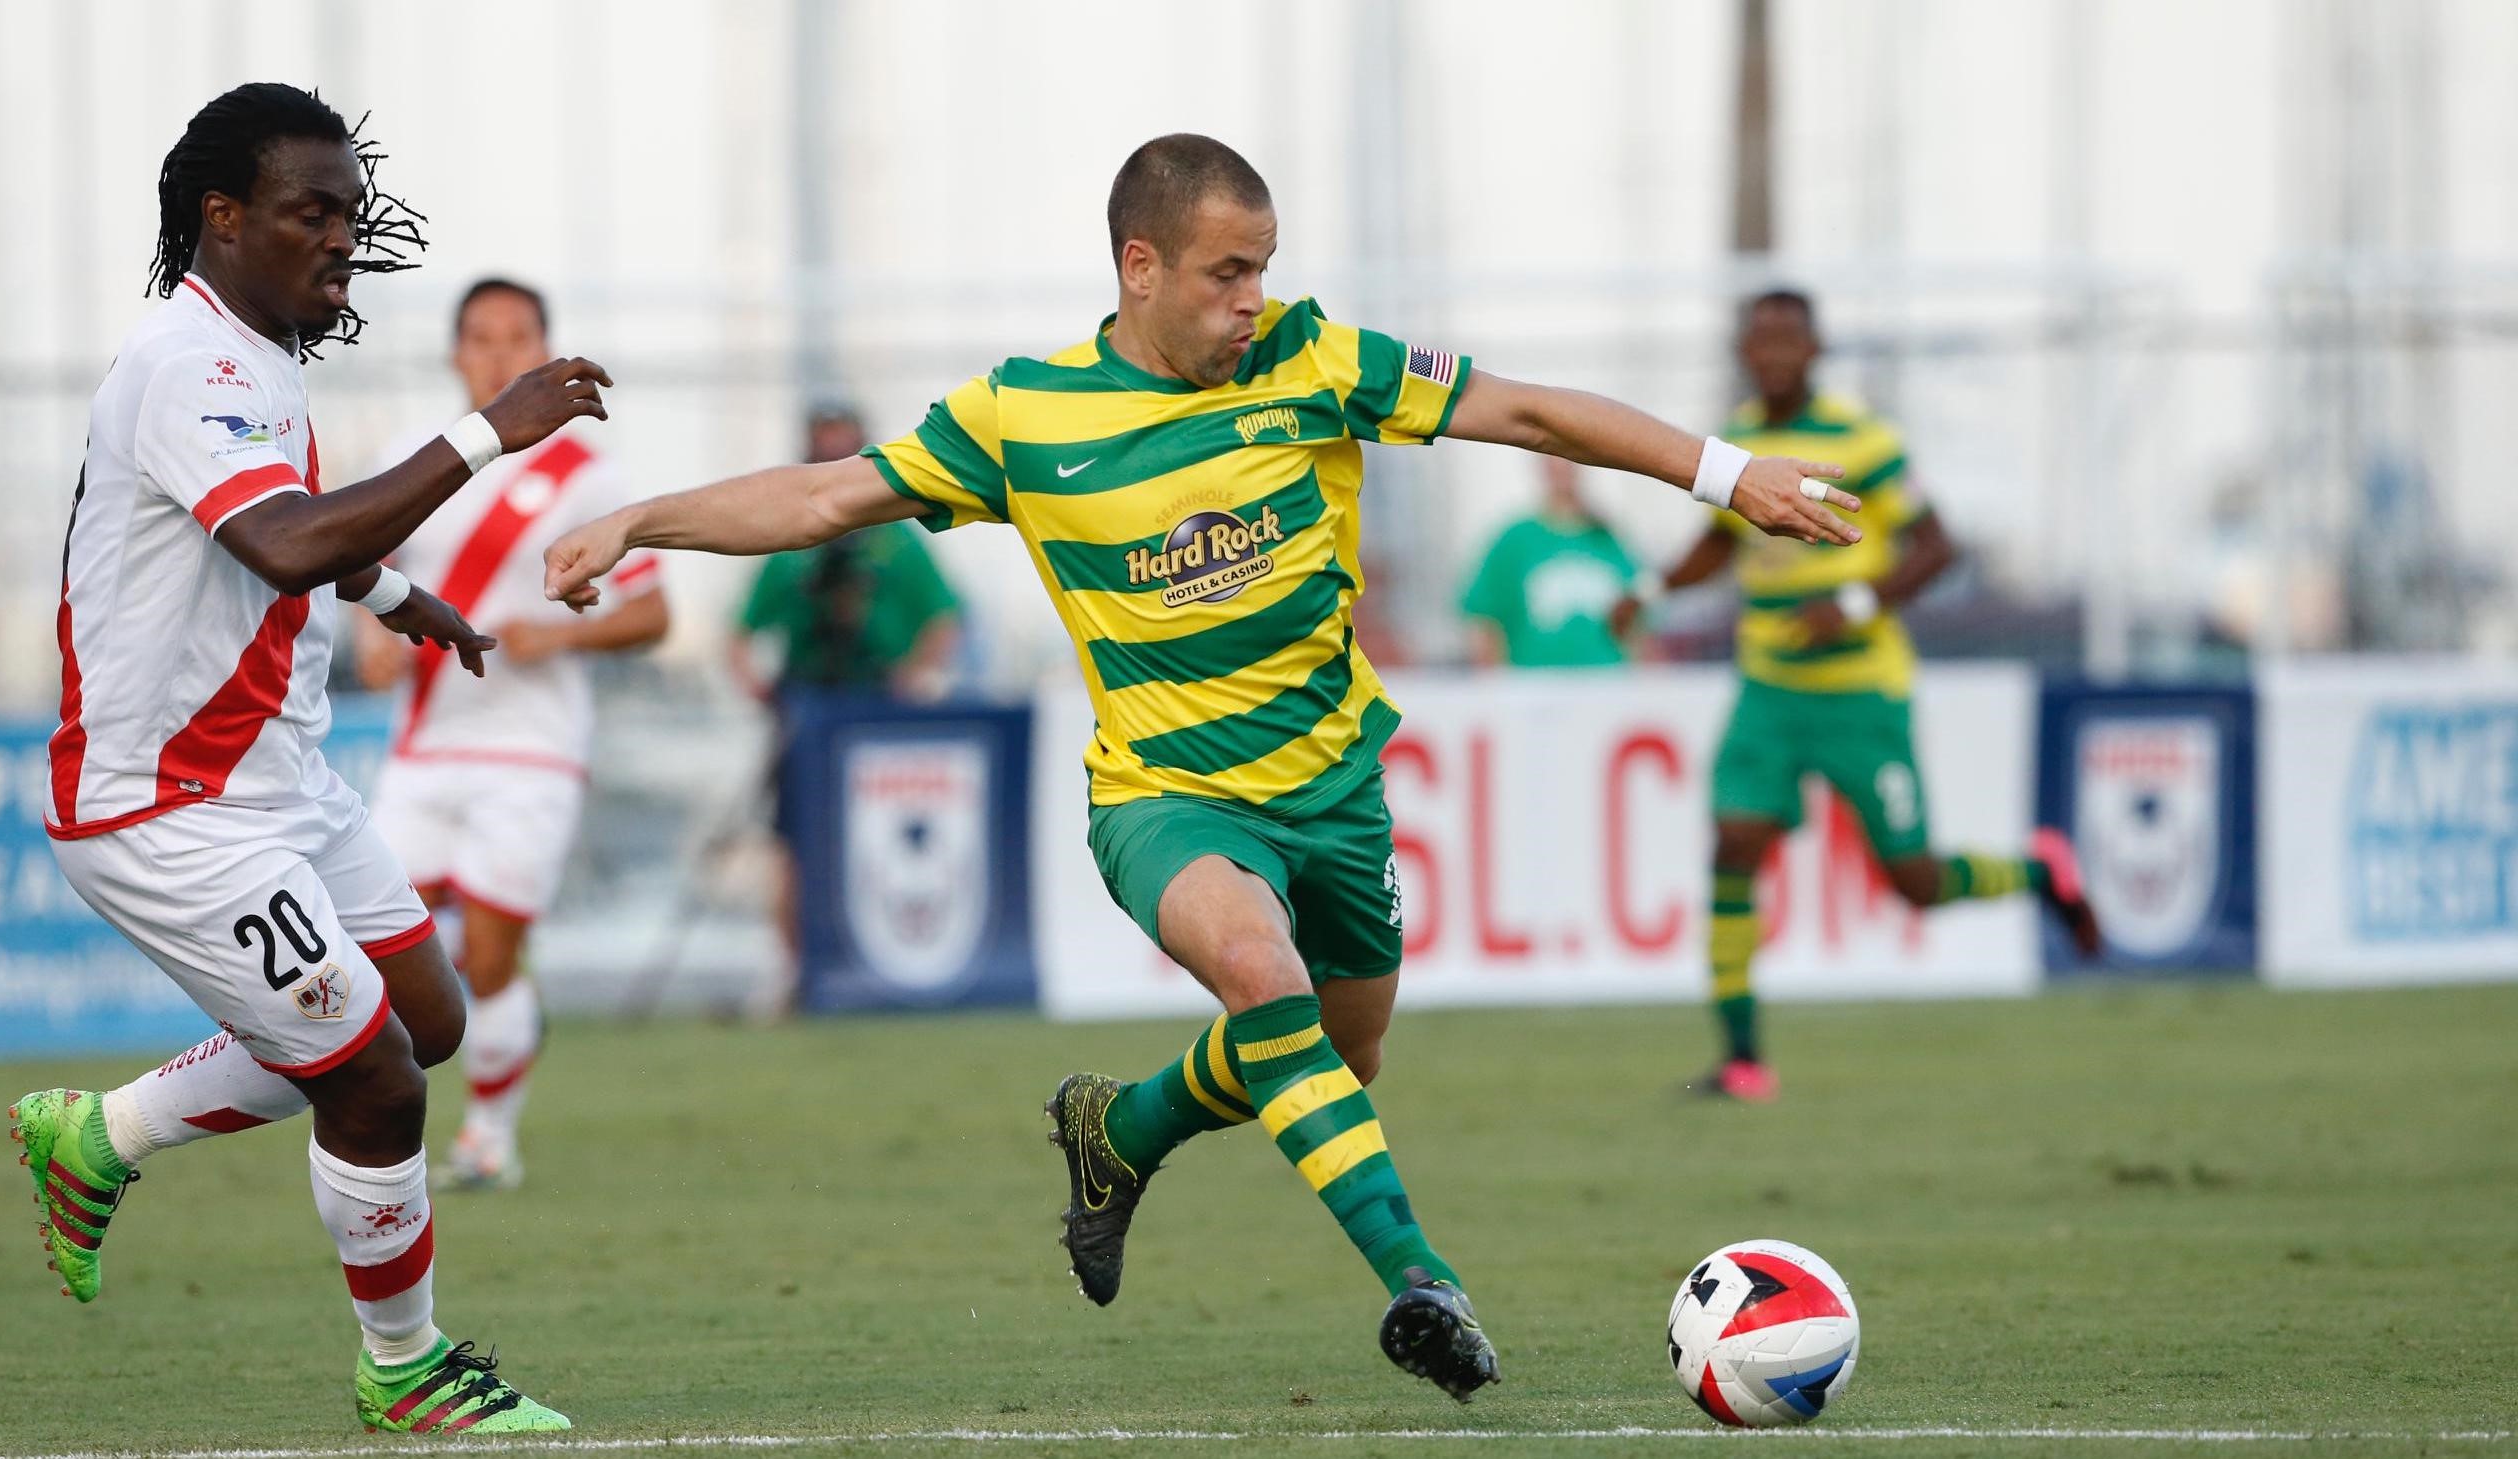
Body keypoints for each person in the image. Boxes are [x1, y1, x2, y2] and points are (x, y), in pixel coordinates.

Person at [542, 134, 1860, 1402]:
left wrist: (1724, 471)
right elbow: (826, 497)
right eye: (1229, 272)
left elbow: (1522, 410)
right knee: (1261, 977)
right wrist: (637, 517)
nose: (1254, 297)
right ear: (1141, 267)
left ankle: (1123, 1128)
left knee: (1342, 1052)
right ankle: (1424, 1279)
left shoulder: (1315, 358)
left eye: (1264, 266)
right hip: (1163, 796)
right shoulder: (1027, 413)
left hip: (1334, 789)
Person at [19, 83, 606, 1432]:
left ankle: (102, 1134)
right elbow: (283, 542)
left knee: (434, 1019)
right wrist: (484, 429)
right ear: (222, 219)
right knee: (376, 1072)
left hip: (279, 785)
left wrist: (406, 601)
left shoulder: (256, 357)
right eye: (310, 211)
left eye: (350, 211)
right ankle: (401, 1365)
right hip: (161, 803)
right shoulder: (190, 364)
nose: (343, 237)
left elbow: (307, 538)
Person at [1616, 289, 2102, 1103]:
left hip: (1860, 694)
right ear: (1744, 350)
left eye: (1786, 338)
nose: (1771, 353)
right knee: (1734, 844)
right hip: (1768, 687)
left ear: (1816, 350)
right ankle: (1742, 1060)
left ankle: (2041, 872)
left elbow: (1937, 544)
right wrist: (1651, 587)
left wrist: (1855, 603)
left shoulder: (1864, 442)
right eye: (1758, 338)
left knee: (1913, 880)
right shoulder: (1736, 439)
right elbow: (1716, 542)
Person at [351, 278, 669, 1190]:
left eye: (516, 337)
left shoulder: (587, 476)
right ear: (456, 354)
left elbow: (651, 616)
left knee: (486, 956)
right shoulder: (411, 460)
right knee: (374, 951)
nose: (497, 354)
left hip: (530, 750)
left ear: (544, 352)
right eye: (480, 338)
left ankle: (488, 1138)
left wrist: (559, 633)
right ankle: (382, 1130)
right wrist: (374, 641)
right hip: (423, 748)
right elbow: (365, 577)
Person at [726, 406, 961, 1003]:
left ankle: (871, 960)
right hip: (806, 704)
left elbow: (945, 618)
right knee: (793, 844)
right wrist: (757, 687)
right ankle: (794, 969)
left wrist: (912, 676)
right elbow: (740, 631)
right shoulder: (790, 542)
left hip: (874, 706)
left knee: (872, 837)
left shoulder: (896, 539)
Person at [1460, 455, 1640, 667]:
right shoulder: (1515, 540)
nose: (1563, 467)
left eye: (1570, 457)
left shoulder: (1608, 538)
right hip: (1532, 688)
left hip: (1608, 685)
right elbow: (1485, 622)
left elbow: (1639, 626)